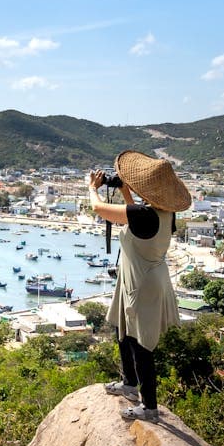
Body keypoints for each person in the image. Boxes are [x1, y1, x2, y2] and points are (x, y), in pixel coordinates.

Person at [87, 150, 191, 422]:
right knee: (123, 330)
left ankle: (149, 406)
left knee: (142, 344)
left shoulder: (144, 214)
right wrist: (124, 192)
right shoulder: (164, 213)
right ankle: (129, 384)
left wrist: (92, 188)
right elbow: (136, 218)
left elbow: (98, 209)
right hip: (141, 277)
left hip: (141, 283)